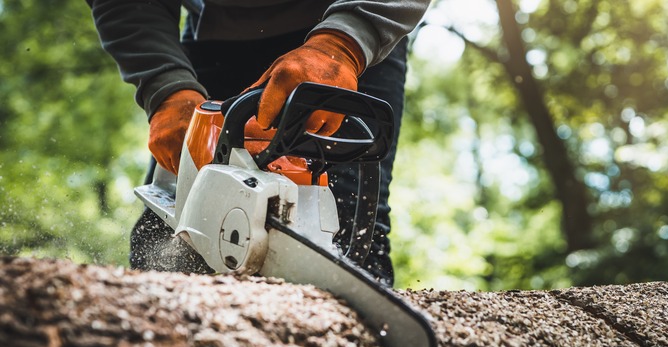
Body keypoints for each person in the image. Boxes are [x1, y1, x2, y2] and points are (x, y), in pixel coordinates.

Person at [88, 0, 431, 286]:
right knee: (169, 232)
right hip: (213, 35)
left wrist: (345, 42)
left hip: (352, 26)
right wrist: (166, 86)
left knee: (352, 225)